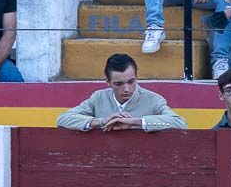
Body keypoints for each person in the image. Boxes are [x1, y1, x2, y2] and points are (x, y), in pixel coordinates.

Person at [57, 54, 188, 132]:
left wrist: (136, 122)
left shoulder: (153, 99)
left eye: (131, 82)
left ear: (136, 77)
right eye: (118, 84)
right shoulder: (99, 97)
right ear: (107, 82)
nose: (126, 89)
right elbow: (63, 119)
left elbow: (180, 123)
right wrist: (101, 121)